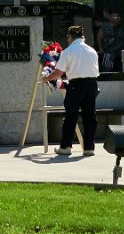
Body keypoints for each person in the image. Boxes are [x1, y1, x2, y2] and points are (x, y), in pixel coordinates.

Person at [42, 25, 99, 156]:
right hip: (92, 84)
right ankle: (89, 148)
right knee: (90, 117)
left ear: (70, 37)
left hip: (76, 85)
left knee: (71, 116)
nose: (67, 40)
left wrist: (46, 78)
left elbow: (59, 72)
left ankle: (66, 146)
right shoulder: (92, 51)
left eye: (68, 37)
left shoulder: (68, 51)